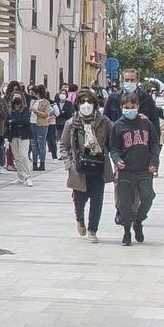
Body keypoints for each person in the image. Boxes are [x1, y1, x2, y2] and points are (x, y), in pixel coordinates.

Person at [111, 91, 161, 246]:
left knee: (147, 196)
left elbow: (154, 144)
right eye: (126, 107)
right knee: (125, 203)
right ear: (121, 108)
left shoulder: (146, 123)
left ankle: (138, 220)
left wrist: (154, 162)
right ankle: (126, 231)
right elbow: (114, 148)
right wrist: (117, 159)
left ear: (138, 106)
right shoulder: (118, 126)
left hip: (144, 169)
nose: (130, 110)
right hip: (126, 170)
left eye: (132, 107)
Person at [62, 97, 111, 242]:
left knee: (97, 200)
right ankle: (80, 219)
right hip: (79, 168)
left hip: (98, 165)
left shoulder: (103, 122)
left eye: (90, 101)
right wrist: (68, 164)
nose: (86, 105)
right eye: (82, 101)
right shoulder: (71, 124)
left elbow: (117, 131)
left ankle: (93, 229)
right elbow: (64, 145)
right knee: (79, 200)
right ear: (77, 105)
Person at [4, 91, 34, 186]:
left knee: (24, 156)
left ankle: (28, 176)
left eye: (18, 97)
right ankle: (20, 177)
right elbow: (6, 121)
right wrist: (14, 122)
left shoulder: (25, 110)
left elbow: (24, 121)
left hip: (24, 135)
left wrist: (13, 121)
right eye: (14, 97)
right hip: (13, 135)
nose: (16, 99)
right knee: (16, 157)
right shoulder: (9, 110)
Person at [29, 86, 54, 171]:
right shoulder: (33, 101)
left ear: (38, 93)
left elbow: (45, 114)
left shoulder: (46, 102)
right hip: (32, 123)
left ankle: (42, 163)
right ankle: (34, 163)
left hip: (41, 125)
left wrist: (36, 111)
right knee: (33, 144)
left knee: (41, 144)